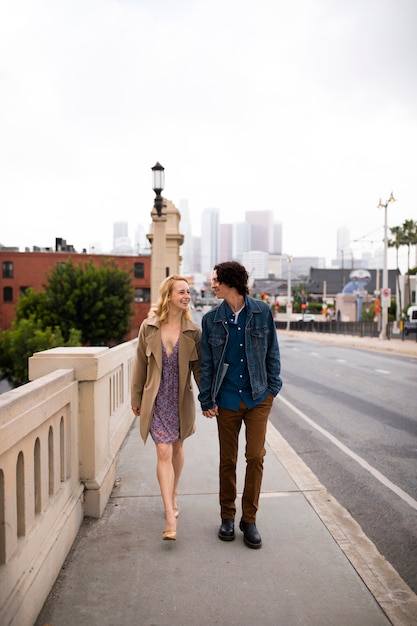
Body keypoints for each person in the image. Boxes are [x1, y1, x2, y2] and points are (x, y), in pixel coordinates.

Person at [199, 261, 282, 549]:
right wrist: (206, 399)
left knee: (255, 456)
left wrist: (272, 389)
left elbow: (272, 352)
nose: (212, 286)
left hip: (258, 397)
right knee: (227, 461)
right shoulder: (211, 320)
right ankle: (227, 516)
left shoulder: (261, 312)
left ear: (229, 282)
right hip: (227, 400)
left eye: (215, 281)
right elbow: (207, 364)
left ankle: (250, 519)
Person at [131, 275, 201, 541]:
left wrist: (208, 399)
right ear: (169, 296)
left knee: (178, 448)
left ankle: (173, 492)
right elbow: (140, 365)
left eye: (188, 292)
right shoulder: (148, 328)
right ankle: (170, 517)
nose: (187, 296)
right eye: (182, 292)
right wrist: (136, 398)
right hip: (156, 400)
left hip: (179, 399)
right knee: (163, 451)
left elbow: (199, 371)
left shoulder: (193, 331)